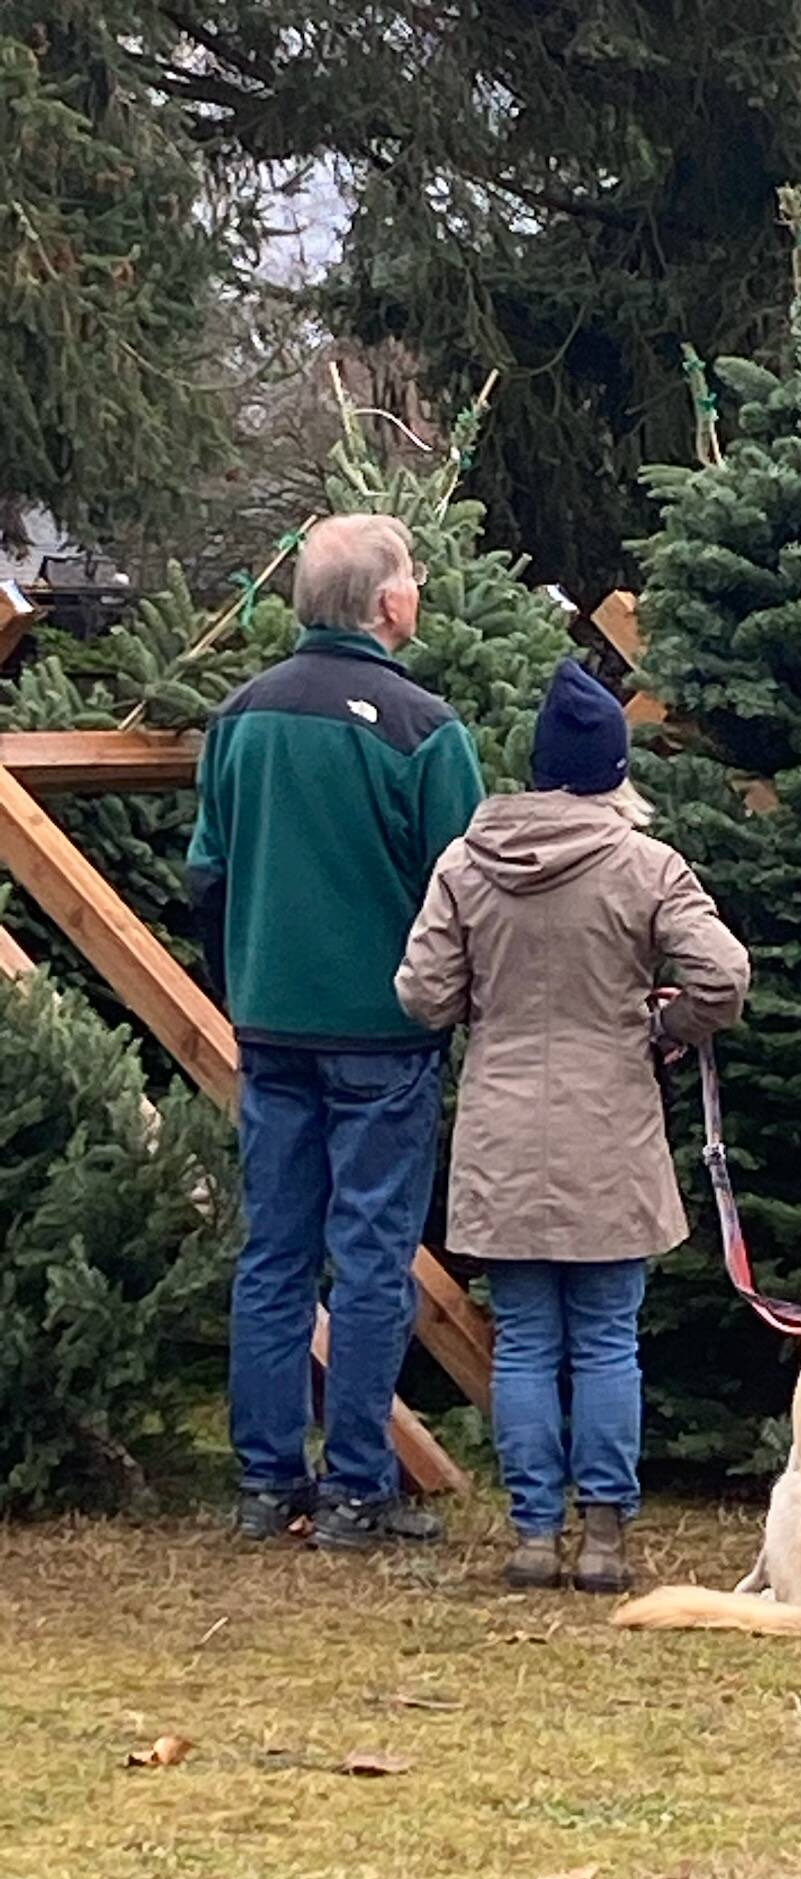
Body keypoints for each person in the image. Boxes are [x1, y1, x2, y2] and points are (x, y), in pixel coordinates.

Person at [396, 657, 749, 1593]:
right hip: (611, 1127)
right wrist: (662, 1026)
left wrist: (485, 1002)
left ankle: (529, 1533)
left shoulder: (467, 864)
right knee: (605, 1340)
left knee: (523, 1339)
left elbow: (423, 995)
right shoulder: (647, 865)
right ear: (611, 769)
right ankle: (603, 1540)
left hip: (503, 1128)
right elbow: (724, 975)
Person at [188, 513, 485, 1550]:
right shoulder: (424, 728)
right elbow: (463, 893)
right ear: (386, 602)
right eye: (411, 578)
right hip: (384, 1031)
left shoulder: (239, 716)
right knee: (370, 1256)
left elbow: (206, 875)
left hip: (270, 1024)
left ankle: (266, 1485)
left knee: (273, 1252)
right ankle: (360, 1487)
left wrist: (243, 991)